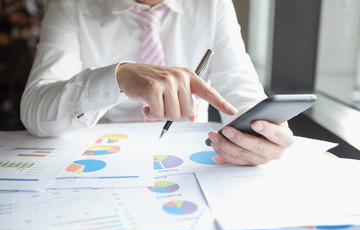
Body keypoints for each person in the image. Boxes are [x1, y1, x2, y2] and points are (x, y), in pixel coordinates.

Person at [20, 0, 294, 166]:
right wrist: (118, 77)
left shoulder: (213, 4)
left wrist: (260, 132)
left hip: (189, 161)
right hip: (104, 159)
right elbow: (35, 111)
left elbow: (240, 90)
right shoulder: (70, 7)